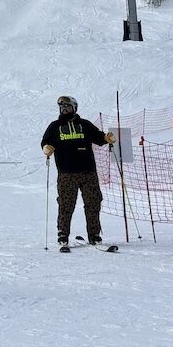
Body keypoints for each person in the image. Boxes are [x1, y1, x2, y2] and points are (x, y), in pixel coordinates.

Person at [40, 95, 114, 252]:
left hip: (88, 172)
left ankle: (94, 235)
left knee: (93, 202)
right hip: (67, 173)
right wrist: (46, 147)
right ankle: (62, 235)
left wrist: (106, 138)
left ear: (74, 108)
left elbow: (99, 137)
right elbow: (46, 141)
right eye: (62, 107)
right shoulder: (54, 127)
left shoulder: (84, 125)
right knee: (66, 205)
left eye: (67, 107)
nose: (64, 109)